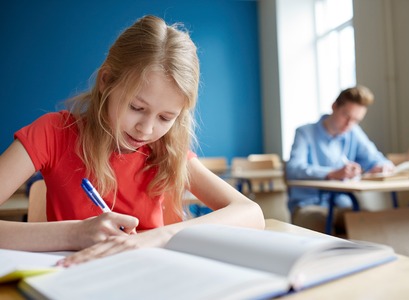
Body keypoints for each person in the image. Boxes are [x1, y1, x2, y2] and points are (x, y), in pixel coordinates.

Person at [0, 15, 264, 265]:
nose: (146, 129)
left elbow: (251, 213)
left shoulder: (165, 149)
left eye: (165, 117)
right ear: (106, 81)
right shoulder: (53, 133)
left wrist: (161, 236)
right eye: (136, 107)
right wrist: (74, 233)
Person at [285, 85, 394, 234]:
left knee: (371, 223)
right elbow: (293, 169)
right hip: (308, 205)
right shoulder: (305, 133)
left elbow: (376, 158)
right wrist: (331, 173)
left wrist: (383, 166)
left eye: (356, 120)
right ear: (334, 106)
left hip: (343, 204)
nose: (349, 124)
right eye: (346, 116)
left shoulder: (353, 132)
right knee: (322, 229)